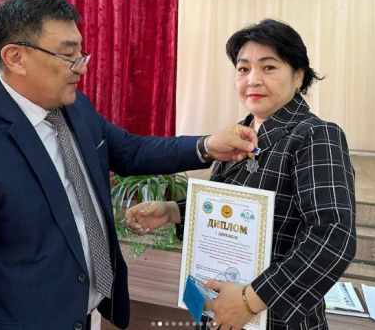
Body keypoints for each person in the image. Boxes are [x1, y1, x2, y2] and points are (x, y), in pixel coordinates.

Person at [0, 0, 258, 330]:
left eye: (82, 54)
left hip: (82, 313)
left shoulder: (75, 107)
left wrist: (208, 146)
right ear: (16, 58)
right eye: (68, 55)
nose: (81, 68)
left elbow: (131, 151)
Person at [126, 19, 357, 330]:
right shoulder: (240, 133)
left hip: (276, 319)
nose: (253, 80)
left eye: (269, 67)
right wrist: (173, 211)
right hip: (220, 309)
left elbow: (333, 236)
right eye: (243, 68)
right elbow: (232, 206)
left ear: (299, 76)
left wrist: (251, 299)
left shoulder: (315, 136)